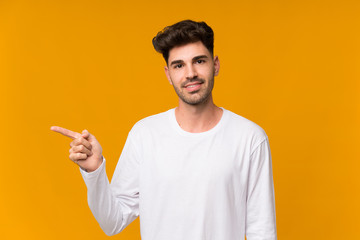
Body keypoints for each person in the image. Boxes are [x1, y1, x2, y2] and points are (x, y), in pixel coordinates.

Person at [51, 20, 277, 240]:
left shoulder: (249, 138)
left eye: (199, 61)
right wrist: (95, 171)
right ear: (168, 74)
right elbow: (113, 222)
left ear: (215, 65)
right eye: (179, 65)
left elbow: (262, 230)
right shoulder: (145, 134)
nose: (190, 73)